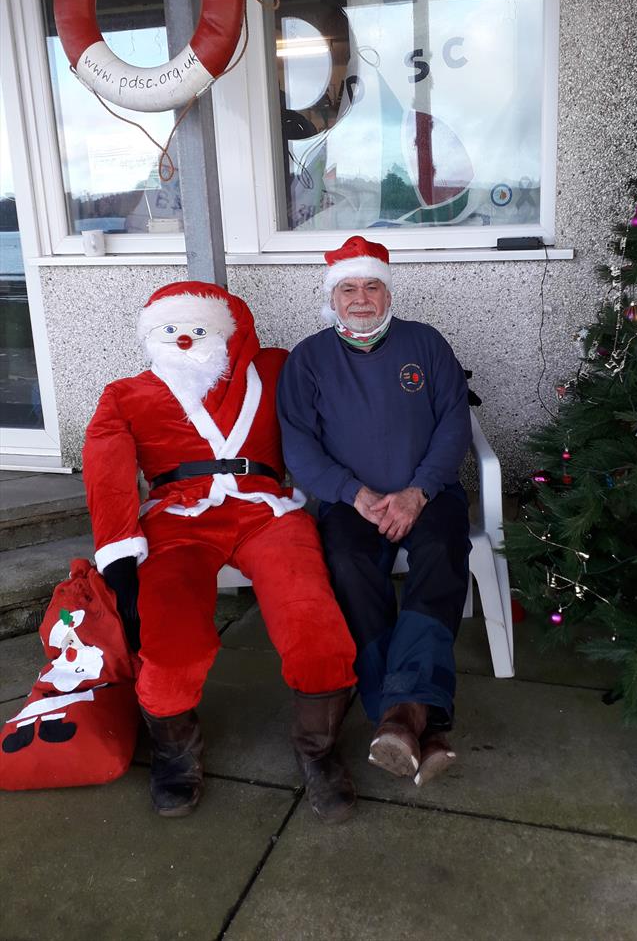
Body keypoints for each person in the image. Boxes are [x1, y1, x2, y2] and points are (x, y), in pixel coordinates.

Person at [83, 280, 358, 823]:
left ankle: (318, 749)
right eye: (170, 330)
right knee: (169, 634)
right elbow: (107, 473)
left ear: (231, 332)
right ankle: (175, 749)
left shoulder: (276, 371)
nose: (184, 340)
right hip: (178, 519)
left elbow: (345, 383)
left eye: (198, 328)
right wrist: (118, 553)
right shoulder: (126, 394)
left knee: (314, 624)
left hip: (266, 510)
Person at [277, 236, 472, 786]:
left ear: (388, 292)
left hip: (426, 494)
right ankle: (419, 719)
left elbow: (453, 422)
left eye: (371, 286)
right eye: (348, 288)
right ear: (332, 297)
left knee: (441, 552)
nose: (360, 298)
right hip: (350, 502)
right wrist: (353, 493)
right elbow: (299, 445)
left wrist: (419, 491)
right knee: (347, 566)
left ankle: (395, 717)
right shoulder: (308, 359)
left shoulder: (426, 343)